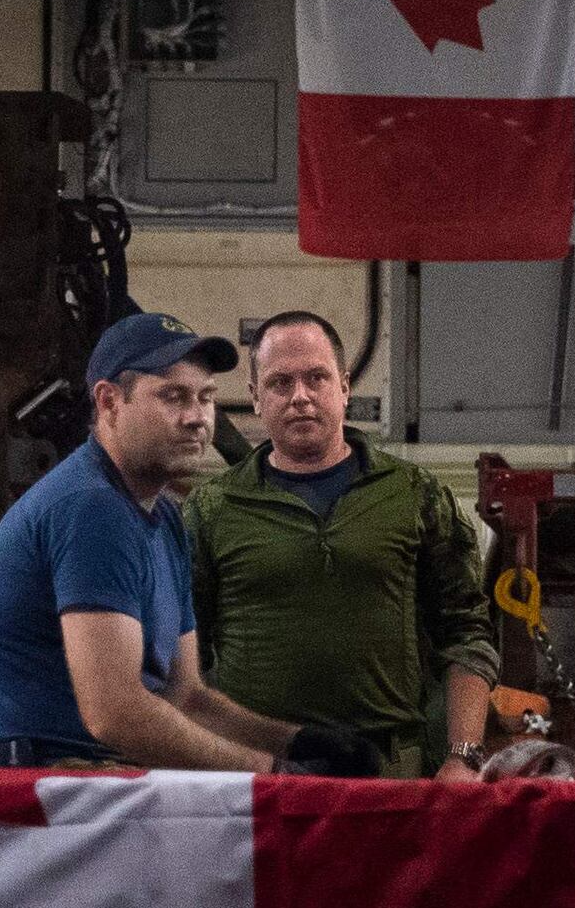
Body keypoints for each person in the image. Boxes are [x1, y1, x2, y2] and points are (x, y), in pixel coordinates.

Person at [0, 313, 365, 772]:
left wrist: (297, 742)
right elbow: (115, 715)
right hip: (50, 794)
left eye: (206, 398)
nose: (197, 419)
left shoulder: (163, 516)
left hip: (97, 783)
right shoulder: (91, 507)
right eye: (173, 397)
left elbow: (186, 696)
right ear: (110, 402)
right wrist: (273, 774)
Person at [188, 310, 499, 777]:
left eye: (316, 378)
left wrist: (462, 758)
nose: (300, 397)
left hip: (389, 767)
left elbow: (467, 631)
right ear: (255, 398)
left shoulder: (415, 494)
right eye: (280, 383)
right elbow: (185, 655)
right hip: (260, 771)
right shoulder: (212, 508)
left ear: (345, 387)